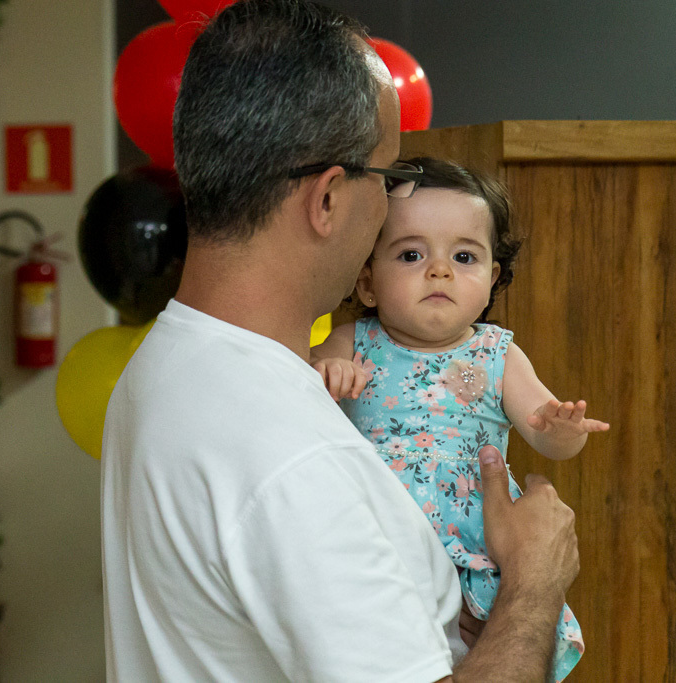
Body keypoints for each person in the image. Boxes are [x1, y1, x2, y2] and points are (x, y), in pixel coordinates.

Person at [101, 1, 580, 681]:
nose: (388, 208)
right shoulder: (294, 455)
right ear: (327, 199)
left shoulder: (165, 362)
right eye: (387, 179)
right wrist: (535, 581)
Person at [310, 156, 609, 681]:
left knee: (478, 653)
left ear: (491, 279)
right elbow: (303, 404)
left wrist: (561, 430)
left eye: (464, 256)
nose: (440, 270)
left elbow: (546, 434)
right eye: (411, 254)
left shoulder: (497, 355)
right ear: (367, 281)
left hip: (472, 543)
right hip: (376, 535)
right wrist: (327, 373)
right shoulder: (351, 341)